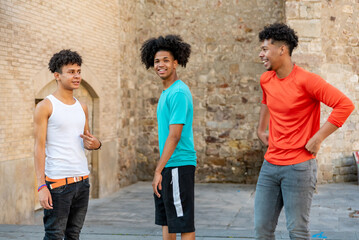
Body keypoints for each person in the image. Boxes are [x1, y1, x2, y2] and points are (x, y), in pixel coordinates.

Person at [255, 23, 355, 239]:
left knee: (297, 231)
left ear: (282, 50)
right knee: (262, 230)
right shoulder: (266, 79)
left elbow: (344, 105)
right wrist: (260, 128)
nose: (261, 54)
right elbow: (266, 99)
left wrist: (318, 137)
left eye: (265, 49)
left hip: (299, 167)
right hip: (270, 164)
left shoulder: (307, 81)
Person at [34, 49, 101, 240]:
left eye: (78, 71)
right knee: (54, 235)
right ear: (57, 75)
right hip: (58, 184)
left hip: (82, 182)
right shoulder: (46, 106)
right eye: (71, 72)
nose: (77, 76)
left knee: (74, 235)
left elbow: (87, 141)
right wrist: (41, 186)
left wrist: (96, 144)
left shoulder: (82, 107)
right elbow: (38, 147)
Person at [140, 35, 197, 240]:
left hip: (178, 164)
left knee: (183, 223)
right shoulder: (167, 92)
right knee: (168, 222)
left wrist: (158, 170)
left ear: (175, 63)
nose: (160, 65)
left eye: (165, 60)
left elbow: (174, 136)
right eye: (156, 61)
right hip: (169, 165)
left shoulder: (179, 92)